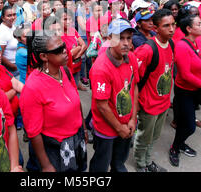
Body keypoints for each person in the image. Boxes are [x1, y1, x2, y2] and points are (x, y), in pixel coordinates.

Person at [20, 35, 87, 172]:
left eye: (64, 46)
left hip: (76, 138)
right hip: (55, 148)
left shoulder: (65, 70)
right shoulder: (33, 87)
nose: (65, 51)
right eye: (59, 50)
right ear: (44, 56)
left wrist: (84, 129)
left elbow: (76, 102)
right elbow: (33, 132)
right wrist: (46, 165)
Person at [89, 19, 139, 172]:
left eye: (128, 38)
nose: (125, 43)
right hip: (107, 128)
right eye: (120, 38)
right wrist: (119, 128)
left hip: (127, 124)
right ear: (109, 39)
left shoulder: (131, 58)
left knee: (119, 162)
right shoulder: (101, 68)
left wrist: (132, 118)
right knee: (101, 164)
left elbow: (134, 87)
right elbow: (102, 105)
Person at [168, 14, 201, 167]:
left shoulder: (197, 43)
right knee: (189, 126)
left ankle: (179, 144)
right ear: (189, 29)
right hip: (185, 91)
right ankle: (174, 148)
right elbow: (185, 75)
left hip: (196, 89)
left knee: (185, 122)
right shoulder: (182, 47)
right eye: (199, 24)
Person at [133, 9, 175, 172]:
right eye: (166, 26)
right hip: (149, 103)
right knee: (144, 136)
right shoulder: (147, 50)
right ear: (155, 29)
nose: (171, 29)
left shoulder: (171, 44)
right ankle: (140, 163)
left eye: (173, 24)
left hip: (163, 102)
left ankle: (148, 160)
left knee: (155, 136)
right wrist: (136, 104)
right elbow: (135, 79)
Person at [60, 9, 88, 91]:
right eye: (65, 19)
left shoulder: (73, 30)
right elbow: (69, 54)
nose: (68, 22)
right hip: (66, 69)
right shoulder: (58, 35)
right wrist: (79, 48)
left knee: (75, 89)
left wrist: (75, 56)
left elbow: (84, 45)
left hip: (76, 66)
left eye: (70, 19)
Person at [0, 6, 19, 77]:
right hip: (12, 68)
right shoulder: (1, 32)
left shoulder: (13, 26)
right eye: (9, 16)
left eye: (14, 14)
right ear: (3, 18)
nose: (13, 17)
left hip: (19, 63)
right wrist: (13, 67)